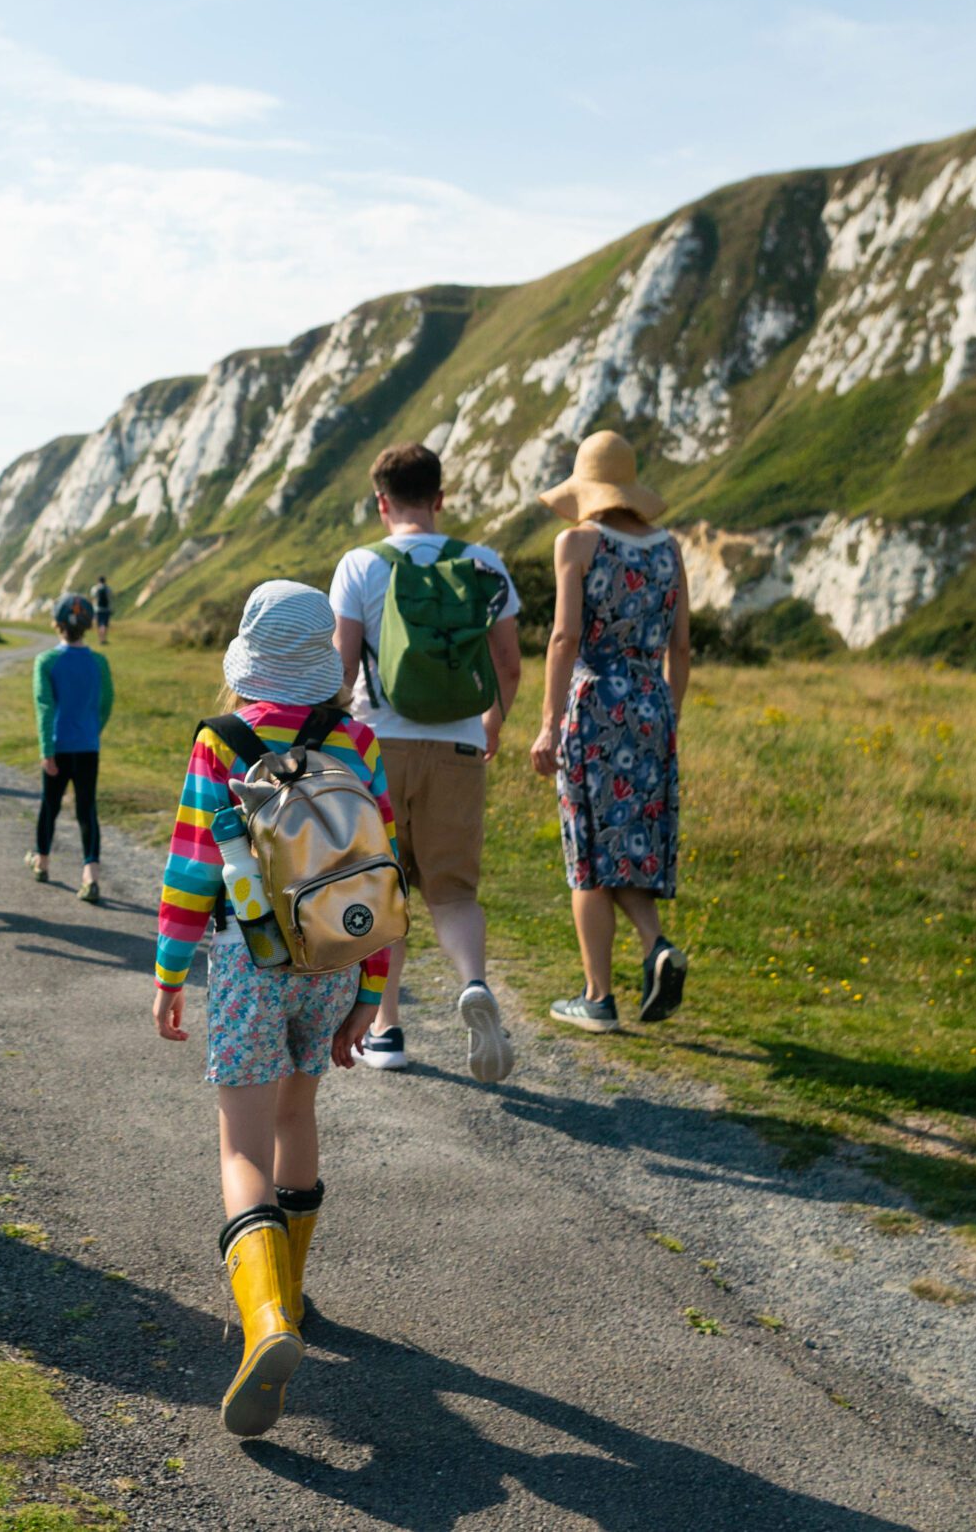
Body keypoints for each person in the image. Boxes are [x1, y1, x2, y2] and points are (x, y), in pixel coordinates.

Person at [152, 580, 389, 1437]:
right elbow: (378, 871)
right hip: (330, 960)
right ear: (324, 660)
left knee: (240, 1141)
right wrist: (370, 989)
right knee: (298, 1113)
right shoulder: (358, 740)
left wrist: (170, 970)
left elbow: (191, 868)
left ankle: (267, 1320)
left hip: (250, 962)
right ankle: (288, 1287)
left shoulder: (223, 741)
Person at [328, 442, 522, 1082]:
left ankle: (386, 1029)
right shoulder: (485, 564)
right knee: (455, 891)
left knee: (387, 888)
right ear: (440, 498)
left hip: (378, 745)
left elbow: (344, 666)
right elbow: (508, 662)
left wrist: (333, 736)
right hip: (459, 745)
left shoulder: (359, 565)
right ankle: (474, 984)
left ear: (381, 502)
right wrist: (492, 722)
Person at [525, 430, 692, 1032]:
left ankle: (598, 996)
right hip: (651, 705)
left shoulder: (577, 542)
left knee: (590, 852)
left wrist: (549, 724)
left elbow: (565, 637)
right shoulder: (668, 549)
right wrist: (662, 714)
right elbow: (680, 647)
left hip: (594, 704)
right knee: (630, 845)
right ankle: (654, 945)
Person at [29, 593, 113, 903]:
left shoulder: (47, 661)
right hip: (88, 746)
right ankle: (90, 875)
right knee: (86, 809)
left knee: (49, 805)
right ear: (88, 625)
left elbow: (44, 706)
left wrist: (46, 748)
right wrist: (93, 731)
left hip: (58, 746)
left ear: (57, 625)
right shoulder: (99, 662)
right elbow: (105, 704)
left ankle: (42, 861)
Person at [92, 575, 114, 646]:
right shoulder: (108, 589)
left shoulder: (95, 589)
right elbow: (110, 597)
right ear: (105, 581)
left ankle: (100, 639)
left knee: (99, 625)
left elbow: (93, 596)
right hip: (106, 609)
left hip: (98, 609)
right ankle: (104, 639)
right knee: (104, 625)